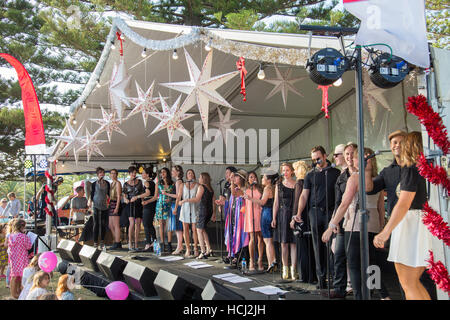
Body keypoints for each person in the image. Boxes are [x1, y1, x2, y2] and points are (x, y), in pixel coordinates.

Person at [322, 147, 390, 300]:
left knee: (355, 266)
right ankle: (382, 295)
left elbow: (344, 204)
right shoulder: (378, 179)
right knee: (372, 265)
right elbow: (380, 208)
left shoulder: (354, 178)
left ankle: (364, 296)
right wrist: (381, 230)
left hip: (355, 225)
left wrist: (331, 226)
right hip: (372, 226)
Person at [373, 132, 432, 300]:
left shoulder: (410, 166)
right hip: (420, 222)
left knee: (408, 282)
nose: (397, 146)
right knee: (412, 282)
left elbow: (404, 202)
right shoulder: (424, 165)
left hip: (410, 223)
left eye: (402, 142)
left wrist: (385, 232)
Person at [292, 146, 340, 288]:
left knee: (332, 246)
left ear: (325, 156)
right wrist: (299, 213)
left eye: (318, 158)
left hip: (331, 212)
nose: (316, 161)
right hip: (315, 212)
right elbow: (304, 195)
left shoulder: (335, 173)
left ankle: (335, 278)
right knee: (317, 246)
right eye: (313, 159)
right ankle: (321, 279)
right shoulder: (310, 175)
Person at [326, 143, 356, 298]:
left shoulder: (361, 174)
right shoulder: (341, 177)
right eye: (346, 154)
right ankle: (340, 288)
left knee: (354, 256)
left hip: (357, 220)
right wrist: (334, 221)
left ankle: (357, 287)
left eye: (337, 155)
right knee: (338, 254)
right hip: (342, 219)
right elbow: (339, 202)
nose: (348, 157)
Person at [246, 171, 278, 273]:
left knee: (267, 240)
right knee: (270, 240)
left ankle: (271, 263)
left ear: (269, 180)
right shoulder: (274, 187)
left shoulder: (267, 188)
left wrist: (250, 199)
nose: (262, 179)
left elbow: (263, 202)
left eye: (263, 177)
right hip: (272, 212)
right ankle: (273, 261)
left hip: (266, 213)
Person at [181, 172, 216, 259]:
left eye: (200, 177)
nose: (199, 179)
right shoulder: (210, 188)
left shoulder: (201, 187)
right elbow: (213, 201)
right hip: (209, 210)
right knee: (203, 229)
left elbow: (197, 199)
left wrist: (185, 200)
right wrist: (214, 213)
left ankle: (203, 251)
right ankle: (209, 249)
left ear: (203, 179)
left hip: (203, 210)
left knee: (199, 230)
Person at [273, 162, 297, 280]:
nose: (285, 173)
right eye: (284, 170)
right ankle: (285, 268)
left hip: (293, 214)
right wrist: (273, 217)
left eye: (287, 170)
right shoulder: (279, 185)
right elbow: (276, 203)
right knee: (283, 243)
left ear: (292, 171)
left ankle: (294, 269)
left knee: (293, 243)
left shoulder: (297, 183)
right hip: (282, 215)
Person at [292, 160, 314, 283]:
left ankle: (304, 275)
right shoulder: (308, 181)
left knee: (303, 248)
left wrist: (294, 217)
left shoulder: (300, 183)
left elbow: (297, 201)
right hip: (307, 216)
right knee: (309, 247)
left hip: (301, 218)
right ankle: (310, 275)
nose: (294, 172)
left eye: (295, 169)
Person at [224, 169, 249, 266]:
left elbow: (235, 194)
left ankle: (241, 257)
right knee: (233, 234)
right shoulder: (235, 189)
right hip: (234, 216)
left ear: (242, 179)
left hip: (242, 217)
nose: (234, 179)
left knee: (241, 236)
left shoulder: (244, 190)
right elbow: (232, 198)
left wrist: (232, 181)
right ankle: (233, 254)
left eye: (236, 177)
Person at [242, 171, 264, 272]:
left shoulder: (260, 189)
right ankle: (251, 260)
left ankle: (260, 260)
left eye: (254, 177)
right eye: (251, 177)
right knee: (252, 238)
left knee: (260, 237)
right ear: (247, 179)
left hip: (259, 213)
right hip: (251, 215)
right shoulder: (246, 191)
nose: (253, 179)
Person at [123, 166, 148, 252]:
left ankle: (136, 243)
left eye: (135, 173)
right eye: (132, 173)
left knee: (138, 224)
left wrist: (143, 201)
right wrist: (125, 199)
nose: (134, 174)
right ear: (129, 174)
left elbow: (142, 193)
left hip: (138, 204)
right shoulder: (126, 184)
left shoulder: (140, 182)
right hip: (130, 204)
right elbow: (124, 194)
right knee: (132, 223)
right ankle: (130, 243)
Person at [215, 166, 237, 263]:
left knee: (234, 232)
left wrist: (225, 202)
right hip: (227, 211)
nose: (226, 175)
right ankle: (229, 253)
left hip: (234, 212)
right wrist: (220, 203)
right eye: (226, 173)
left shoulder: (235, 185)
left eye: (228, 173)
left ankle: (235, 254)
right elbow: (224, 197)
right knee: (228, 233)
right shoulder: (225, 184)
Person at [7, 219, 32, 298]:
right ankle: (21, 292)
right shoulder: (23, 236)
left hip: (13, 258)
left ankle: (14, 293)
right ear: (21, 227)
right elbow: (29, 246)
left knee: (14, 276)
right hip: (22, 258)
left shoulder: (11, 236)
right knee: (22, 276)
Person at [179, 169, 200, 258]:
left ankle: (195, 248)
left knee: (194, 229)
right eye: (188, 173)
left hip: (194, 208)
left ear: (194, 175)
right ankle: (188, 248)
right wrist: (177, 205)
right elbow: (179, 196)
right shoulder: (182, 185)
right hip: (185, 208)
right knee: (185, 229)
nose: (190, 174)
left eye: (191, 173)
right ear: (186, 176)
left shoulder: (197, 185)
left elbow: (198, 197)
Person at [89, 167, 110, 250]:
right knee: (96, 224)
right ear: (97, 174)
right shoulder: (94, 184)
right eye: (100, 173)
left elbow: (109, 194)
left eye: (103, 172)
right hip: (96, 205)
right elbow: (91, 194)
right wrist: (90, 202)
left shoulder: (107, 183)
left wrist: (108, 201)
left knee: (104, 224)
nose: (102, 174)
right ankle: (95, 242)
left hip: (104, 205)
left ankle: (102, 241)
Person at [166, 165, 185, 255]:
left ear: (178, 172)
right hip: (175, 204)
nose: (172, 172)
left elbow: (178, 196)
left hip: (177, 205)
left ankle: (180, 246)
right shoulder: (178, 182)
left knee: (178, 227)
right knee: (178, 228)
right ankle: (179, 245)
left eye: (173, 171)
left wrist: (167, 194)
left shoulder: (178, 182)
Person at [154, 168, 174, 253]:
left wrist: (170, 199)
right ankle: (162, 243)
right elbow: (155, 196)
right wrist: (147, 201)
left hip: (169, 205)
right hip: (160, 205)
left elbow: (175, 195)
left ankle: (169, 243)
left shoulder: (172, 184)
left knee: (169, 224)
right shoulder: (158, 183)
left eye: (164, 172)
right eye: (161, 172)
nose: (162, 173)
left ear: (167, 173)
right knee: (161, 224)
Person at [141, 167, 158, 252]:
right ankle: (153, 242)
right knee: (149, 224)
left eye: (143, 173)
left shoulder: (147, 182)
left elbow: (147, 193)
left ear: (147, 174)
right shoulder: (152, 183)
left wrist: (137, 196)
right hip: (151, 204)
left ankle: (148, 243)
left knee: (146, 224)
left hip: (148, 204)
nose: (142, 174)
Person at [108, 169, 123, 250]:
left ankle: (117, 242)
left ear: (116, 174)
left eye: (114, 173)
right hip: (111, 203)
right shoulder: (111, 183)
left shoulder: (118, 183)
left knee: (116, 225)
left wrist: (117, 207)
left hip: (116, 203)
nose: (113, 175)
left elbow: (119, 196)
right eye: (111, 173)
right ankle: (116, 241)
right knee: (110, 225)